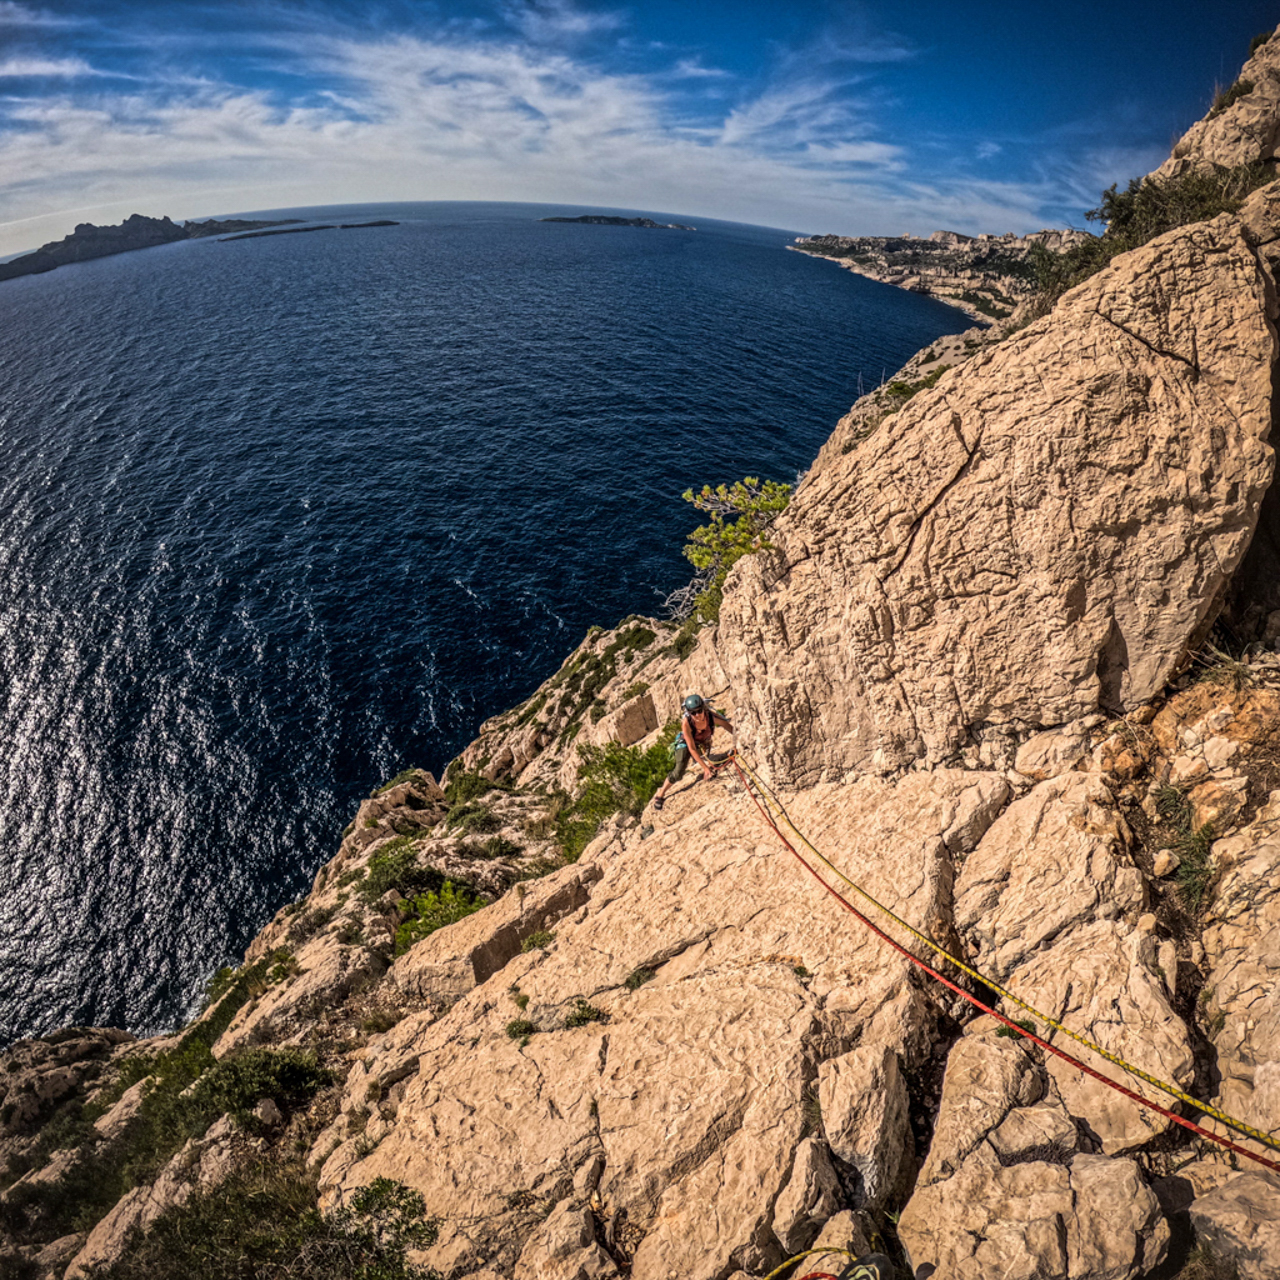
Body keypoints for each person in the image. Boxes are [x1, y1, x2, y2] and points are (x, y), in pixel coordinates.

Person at [651, 694, 734, 811]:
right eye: (693, 713)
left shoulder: (710, 717)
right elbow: (691, 748)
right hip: (685, 744)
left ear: (703, 708)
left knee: (712, 760)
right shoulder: (687, 723)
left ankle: (704, 763)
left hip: (701, 742)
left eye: (699, 711)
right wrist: (706, 769)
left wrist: (739, 739)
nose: (697, 715)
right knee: (679, 771)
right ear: (689, 713)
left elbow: (727, 726)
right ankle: (661, 792)